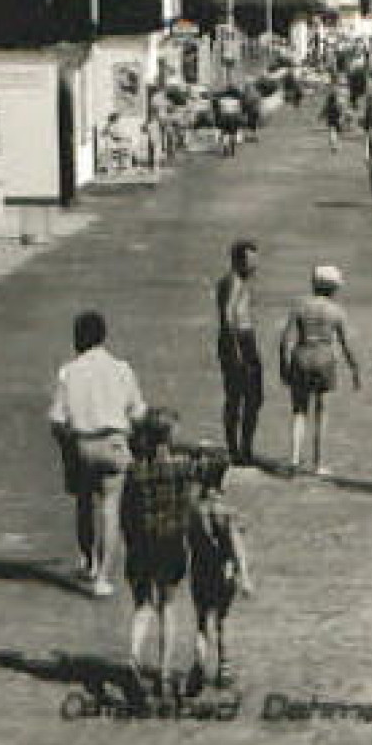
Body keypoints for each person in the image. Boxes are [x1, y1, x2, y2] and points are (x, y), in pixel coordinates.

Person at [50, 311, 146, 598]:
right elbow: (139, 412)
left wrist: (66, 445)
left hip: (82, 443)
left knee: (83, 503)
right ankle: (102, 578)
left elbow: (56, 418)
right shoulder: (121, 368)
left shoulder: (69, 371)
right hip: (114, 443)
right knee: (110, 509)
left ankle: (89, 561)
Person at [119, 408, 210, 700]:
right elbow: (214, 462)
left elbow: (125, 514)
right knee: (167, 605)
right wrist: (194, 448)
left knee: (142, 604)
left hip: (142, 543)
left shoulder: (135, 470)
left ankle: (133, 657)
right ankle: (165, 671)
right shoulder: (182, 468)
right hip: (171, 542)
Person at [279, 265, 362, 475]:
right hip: (325, 359)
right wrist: (355, 369)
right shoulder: (336, 311)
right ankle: (319, 463)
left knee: (299, 411)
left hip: (301, 356)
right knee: (321, 413)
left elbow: (285, 340)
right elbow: (346, 344)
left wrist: (284, 366)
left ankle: (295, 459)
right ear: (333, 288)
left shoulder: (299, 306)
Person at [186, 451, 254, 695]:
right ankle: (224, 668)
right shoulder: (225, 512)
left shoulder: (193, 508)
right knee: (223, 622)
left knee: (202, 622)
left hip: (199, 570)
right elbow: (236, 547)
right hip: (222, 571)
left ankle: (199, 664)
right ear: (222, 480)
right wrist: (244, 576)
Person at [215, 240, 263, 465]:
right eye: (250, 260)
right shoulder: (233, 282)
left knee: (247, 398)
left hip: (243, 339)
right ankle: (239, 450)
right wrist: (236, 351)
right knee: (241, 397)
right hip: (237, 341)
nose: (255, 265)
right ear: (238, 261)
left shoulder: (239, 281)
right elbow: (227, 316)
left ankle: (242, 448)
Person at [215, 87, 243, 157]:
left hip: (224, 116)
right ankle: (232, 148)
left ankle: (225, 146)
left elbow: (219, 110)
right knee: (232, 132)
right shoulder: (236, 101)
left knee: (225, 133)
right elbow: (238, 111)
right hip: (233, 117)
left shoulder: (221, 100)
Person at [321, 86, 345, 154]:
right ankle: (334, 145)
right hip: (337, 119)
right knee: (336, 132)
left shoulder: (329, 104)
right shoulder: (337, 104)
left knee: (332, 132)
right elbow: (341, 111)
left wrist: (321, 116)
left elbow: (324, 110)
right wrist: (342, 117)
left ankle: (333, 144)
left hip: (331, 119)